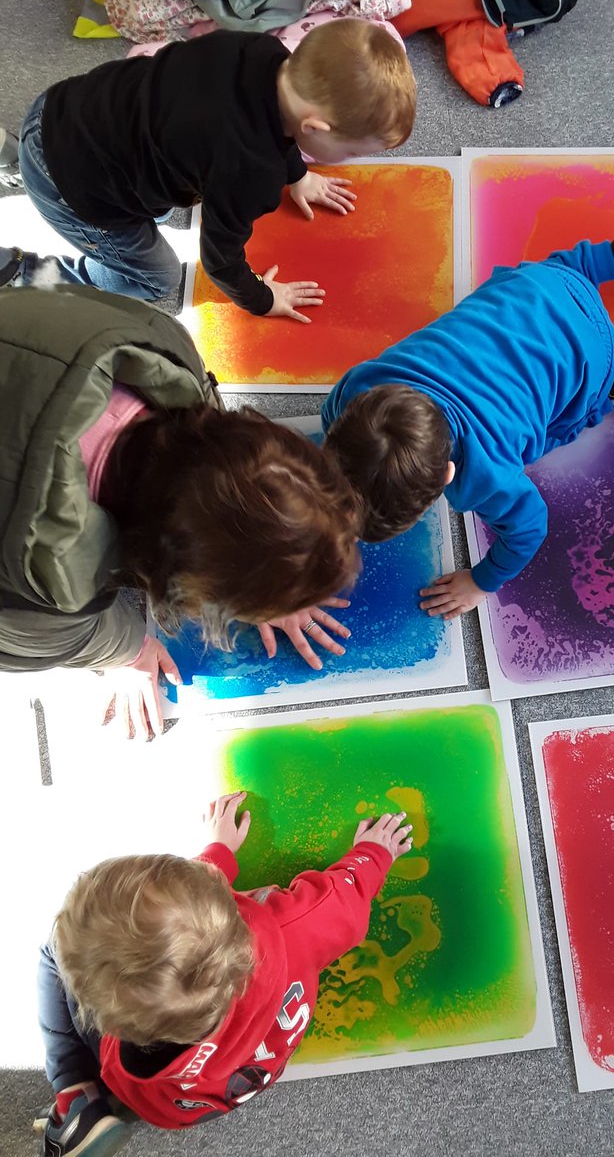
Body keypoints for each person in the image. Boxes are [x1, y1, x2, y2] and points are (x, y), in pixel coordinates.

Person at [0, 283, 361, 738]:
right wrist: (129, 653)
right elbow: (50, 636)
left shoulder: (164, 349)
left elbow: (220, 454)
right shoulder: (34, 592)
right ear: (176, 582)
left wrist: (269, 557)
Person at [322, 218, 614, 620]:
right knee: (562, 273)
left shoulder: (486, 474)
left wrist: (480, 581)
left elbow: (530, 529)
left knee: (561, 426)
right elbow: (331, 418)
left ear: (448, 476)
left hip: (594, 357)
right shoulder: (359, 386)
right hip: (540, 288)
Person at [34, 792, 413, 1154]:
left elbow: (179, 933)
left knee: (56, 951)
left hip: (160, 1100)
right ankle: (84, 1102)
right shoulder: (290, 929)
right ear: (212, 884)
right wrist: (375, 851)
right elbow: (345, 901)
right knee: (76, 945)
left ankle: (76, 1093)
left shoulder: (142, 1026)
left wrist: (216, 853)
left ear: (119, 1027)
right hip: (227, 1085)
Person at [0, 19, 417, 321]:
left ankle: (16, 156)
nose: (347, 160)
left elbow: (278, 126)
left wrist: (300, 175)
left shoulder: (263, 52)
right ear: (315, 128)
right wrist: (262, 299)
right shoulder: (251, 174)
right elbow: (219, 260)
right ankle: (27, 274)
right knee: (157, 277)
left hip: (63, 108)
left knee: (162, 207)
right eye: (349, 152)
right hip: (72, 184)